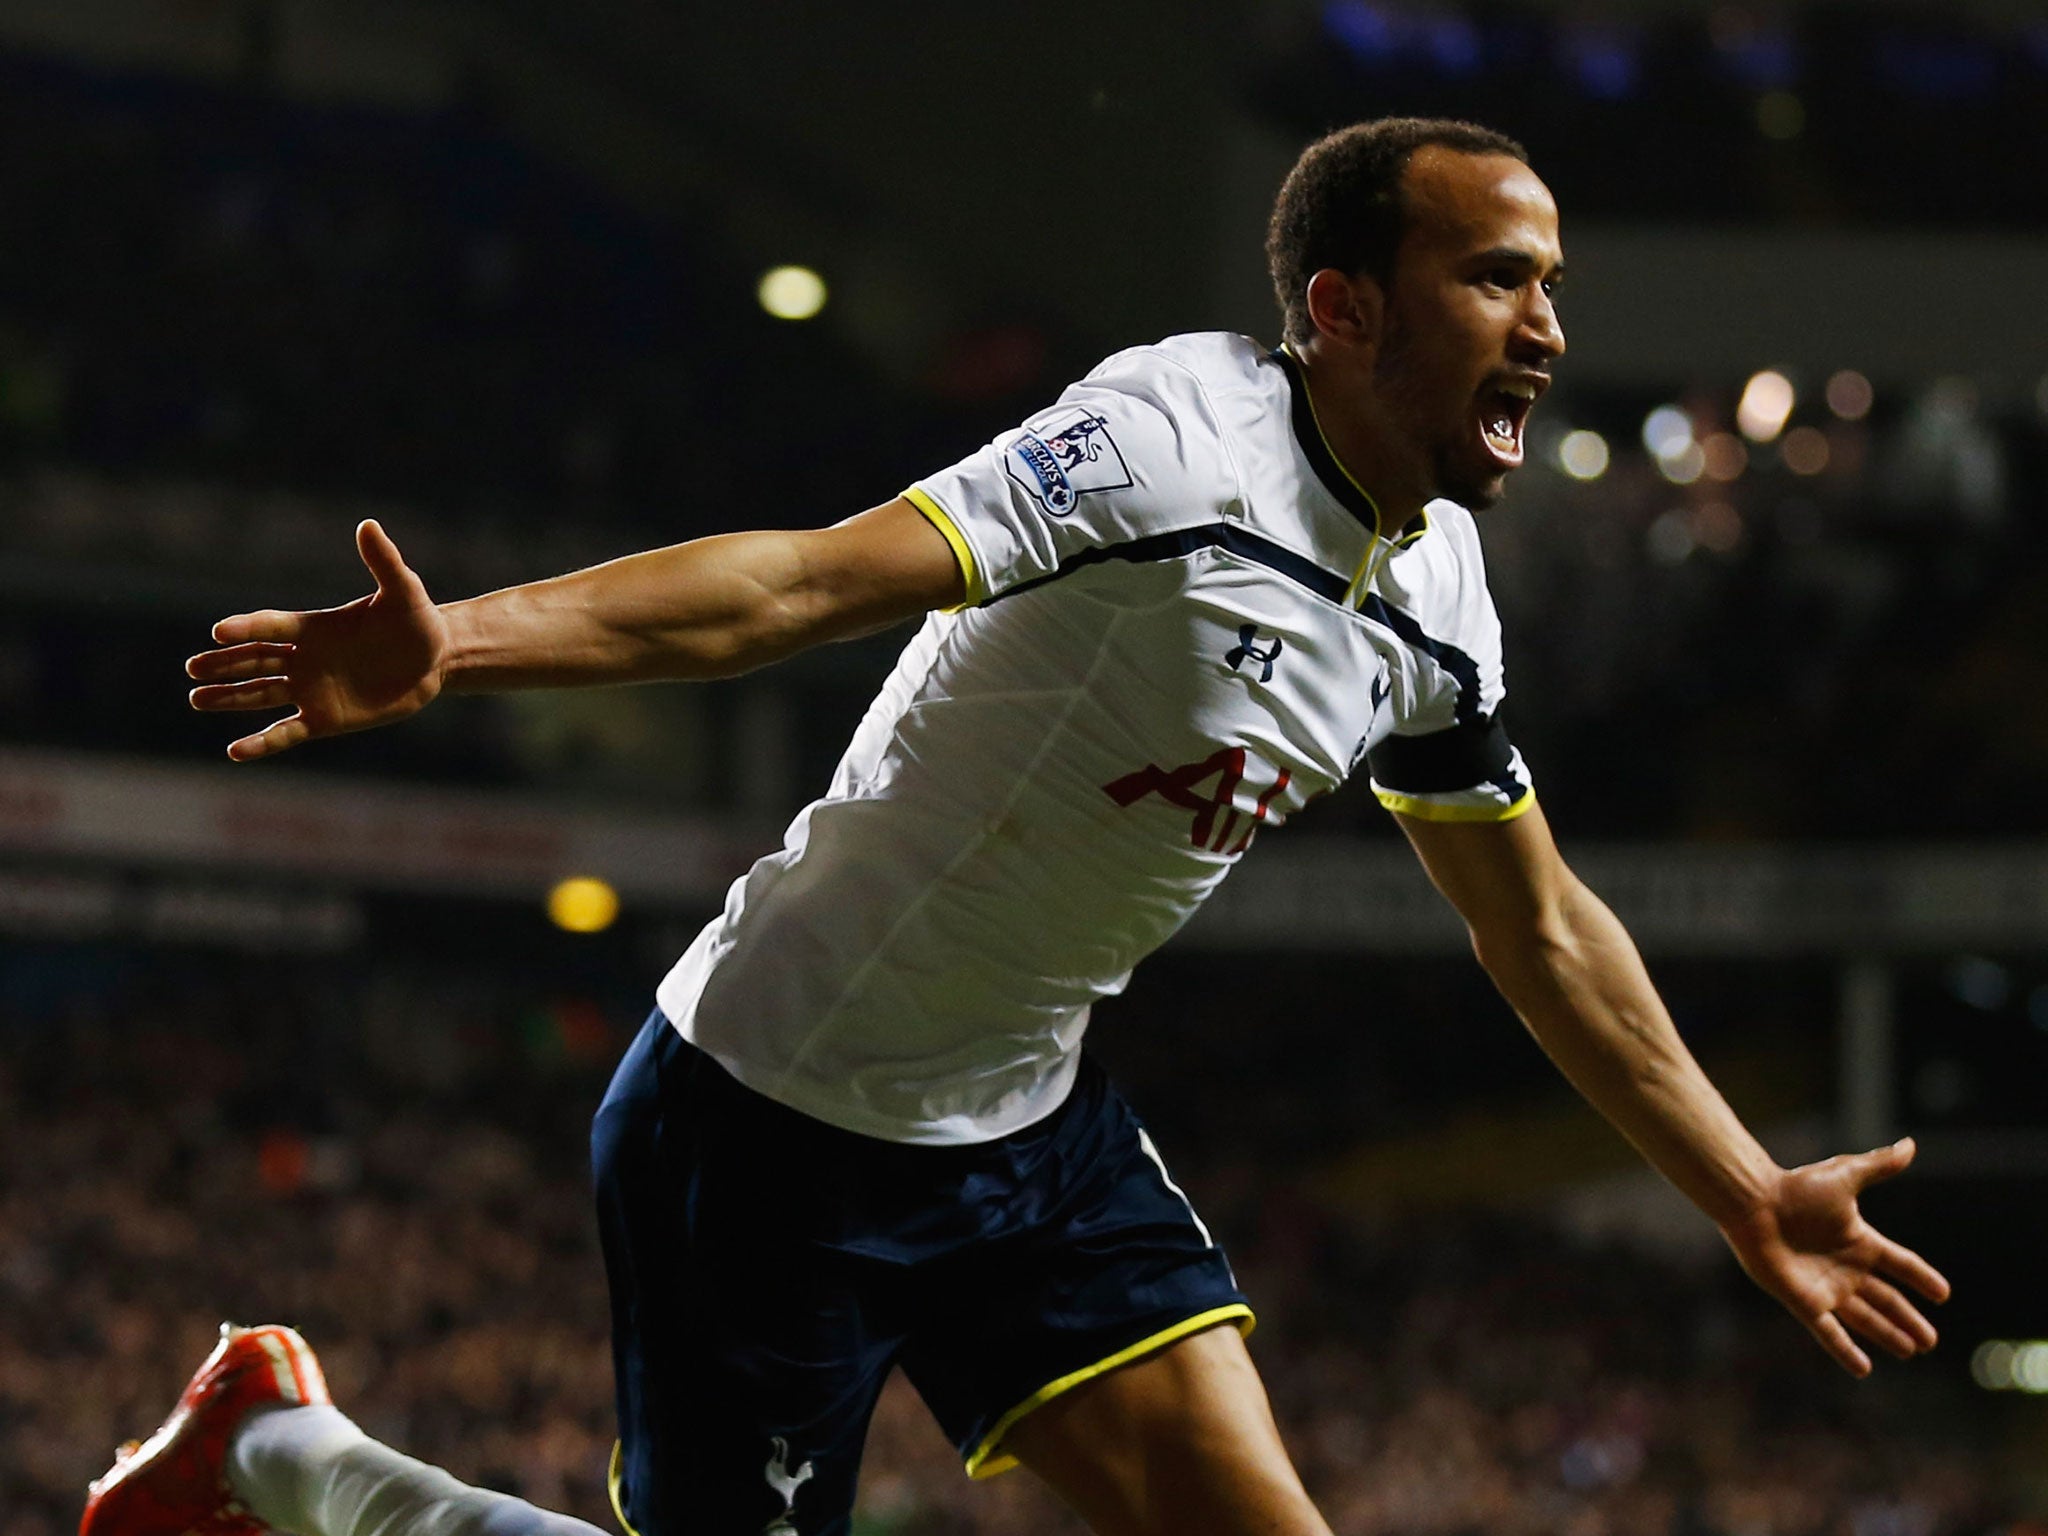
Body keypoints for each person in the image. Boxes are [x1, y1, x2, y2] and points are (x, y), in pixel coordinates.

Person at [88, 117, 1949, 1536]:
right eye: (1498, 280)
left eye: (1552, 284)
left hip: (1031, 1132)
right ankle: (281, 1448)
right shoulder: (1167, 443)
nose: (1547, 326)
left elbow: (1540, 928)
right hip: (771, 1127)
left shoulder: (1441, 590)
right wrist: (464, 649)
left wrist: (1742, 1187)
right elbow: (800, 586)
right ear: (1341, 307)